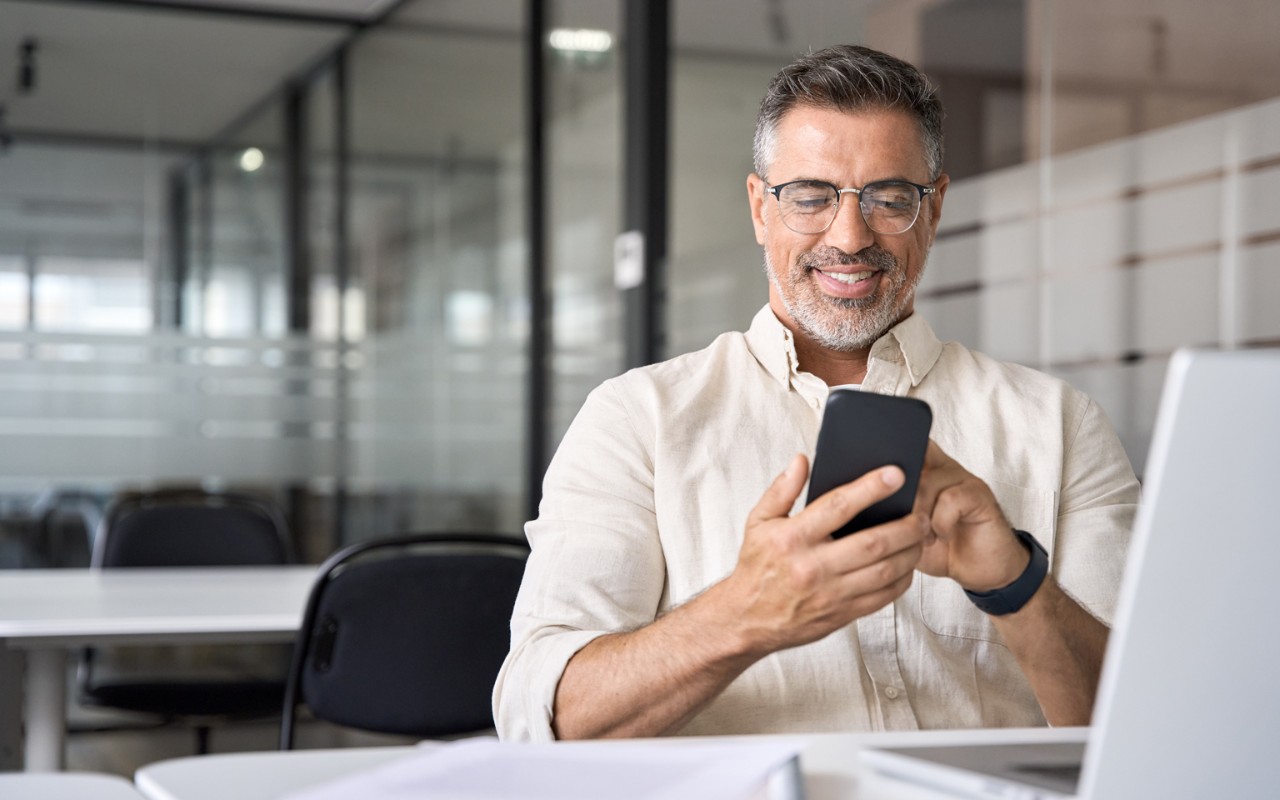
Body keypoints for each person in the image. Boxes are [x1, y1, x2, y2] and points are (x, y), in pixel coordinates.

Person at [493, 44, 1139, 741]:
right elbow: (544, 719)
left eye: (890, 198)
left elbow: (1153, 726)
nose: (850, 236)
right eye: (810, 197)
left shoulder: (1060, 424)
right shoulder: (638, 420)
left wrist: (1016, 585)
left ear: (936, 208)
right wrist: (745, 612)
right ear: (759, 209)